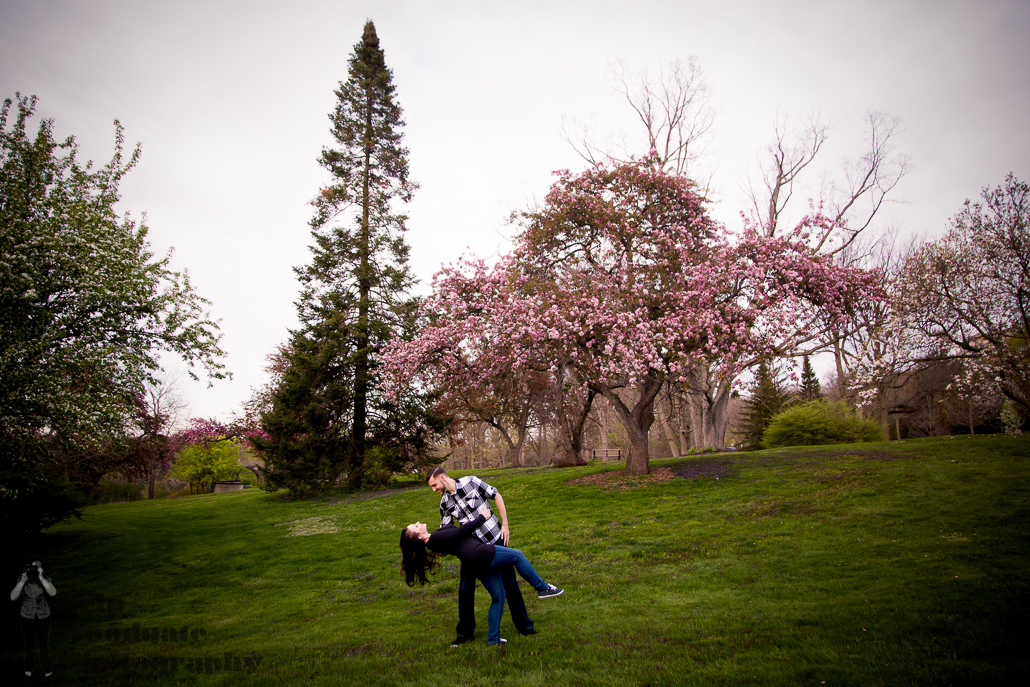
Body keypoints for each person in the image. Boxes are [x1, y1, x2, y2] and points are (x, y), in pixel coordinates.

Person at [400, 504, 562, 646]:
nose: (418, 523)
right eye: (415, 526)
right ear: (419, 537)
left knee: (498, 596)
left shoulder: (435, 538)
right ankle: (543, 588)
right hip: (479, 554)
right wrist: (482, 517)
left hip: (475, 562)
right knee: (517, 555)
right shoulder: (434, 539)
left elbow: (452, 531)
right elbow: (461, 532)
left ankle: (493, 639)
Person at [427, 466, 534, 645]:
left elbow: (496, 495)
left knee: (510, 584)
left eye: (434, 484)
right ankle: (464, 634)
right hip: (473, 551)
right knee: (465, 590)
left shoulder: (471, 482)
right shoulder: (445, 503)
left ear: (443, 478)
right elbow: (448, 532)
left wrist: (505, 525)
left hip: (496, 540)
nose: (434, 489)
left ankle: (525, 626)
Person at [10, 556, 56, 677]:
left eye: (36, 567)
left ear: (40, 568)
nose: (33, 569)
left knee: (43, 644)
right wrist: (21, 582)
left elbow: (53, 592)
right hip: (27, 617)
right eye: (31, 566)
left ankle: (47, 668)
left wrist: (41, 578)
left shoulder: (45, 579)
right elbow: (13, 597)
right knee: (29, 643)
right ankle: (29, 667)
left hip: (43, 616)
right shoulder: (22, 579)